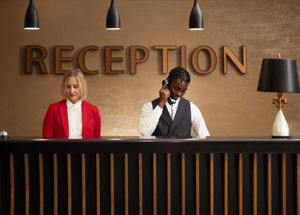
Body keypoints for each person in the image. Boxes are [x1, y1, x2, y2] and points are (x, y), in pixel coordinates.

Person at [139, 66, 209, 138]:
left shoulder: (192, 108)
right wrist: (161, 104)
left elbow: (204, 136)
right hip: (157, 149)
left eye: (183, 90)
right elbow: (145, 132)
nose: (179, 93)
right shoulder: (149, 106)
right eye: (177, 88)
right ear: (167, 82)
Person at [43, 68, 101, 138]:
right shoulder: (53, 109)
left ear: (82, 87)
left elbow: (97, 141)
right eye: (68, 87)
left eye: (75, 87)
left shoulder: (93, 110)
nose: (71, 91)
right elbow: (47, 140)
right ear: (64, 88)